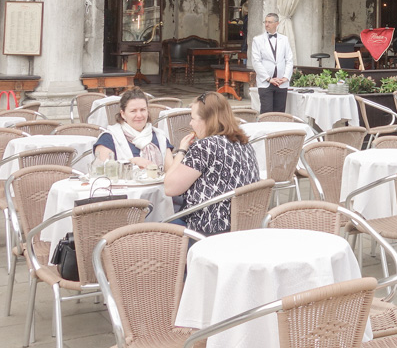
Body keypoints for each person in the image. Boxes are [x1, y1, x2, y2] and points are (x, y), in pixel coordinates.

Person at [164, 91, 260, 235]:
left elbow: (170, 187)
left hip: (208, 229)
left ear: (208, 120)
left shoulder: (205, 147)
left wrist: (182, 151)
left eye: (193, 118)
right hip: (244, 225)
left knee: (151, 232)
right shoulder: (244, 143)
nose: (190, 123)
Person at [94, 88, 171, 167]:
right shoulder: (109, 138)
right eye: (133, 111)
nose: (139, 115)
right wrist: (131, 162)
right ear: (123, 114)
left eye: (142, 110)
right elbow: (102, 172)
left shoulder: (159, 136)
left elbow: (171, 171)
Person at [251, 12, 293, 113]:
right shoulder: (257, 40)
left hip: (281, 82)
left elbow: (289, 60)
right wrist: (268, 78)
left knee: (280, 112)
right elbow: (256, 61)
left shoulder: (284, 39)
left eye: (269, 22)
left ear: (277, 23)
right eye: (265, 22)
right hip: (265, 82)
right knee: (266, 112)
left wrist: (285, 77)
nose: (266, 24)